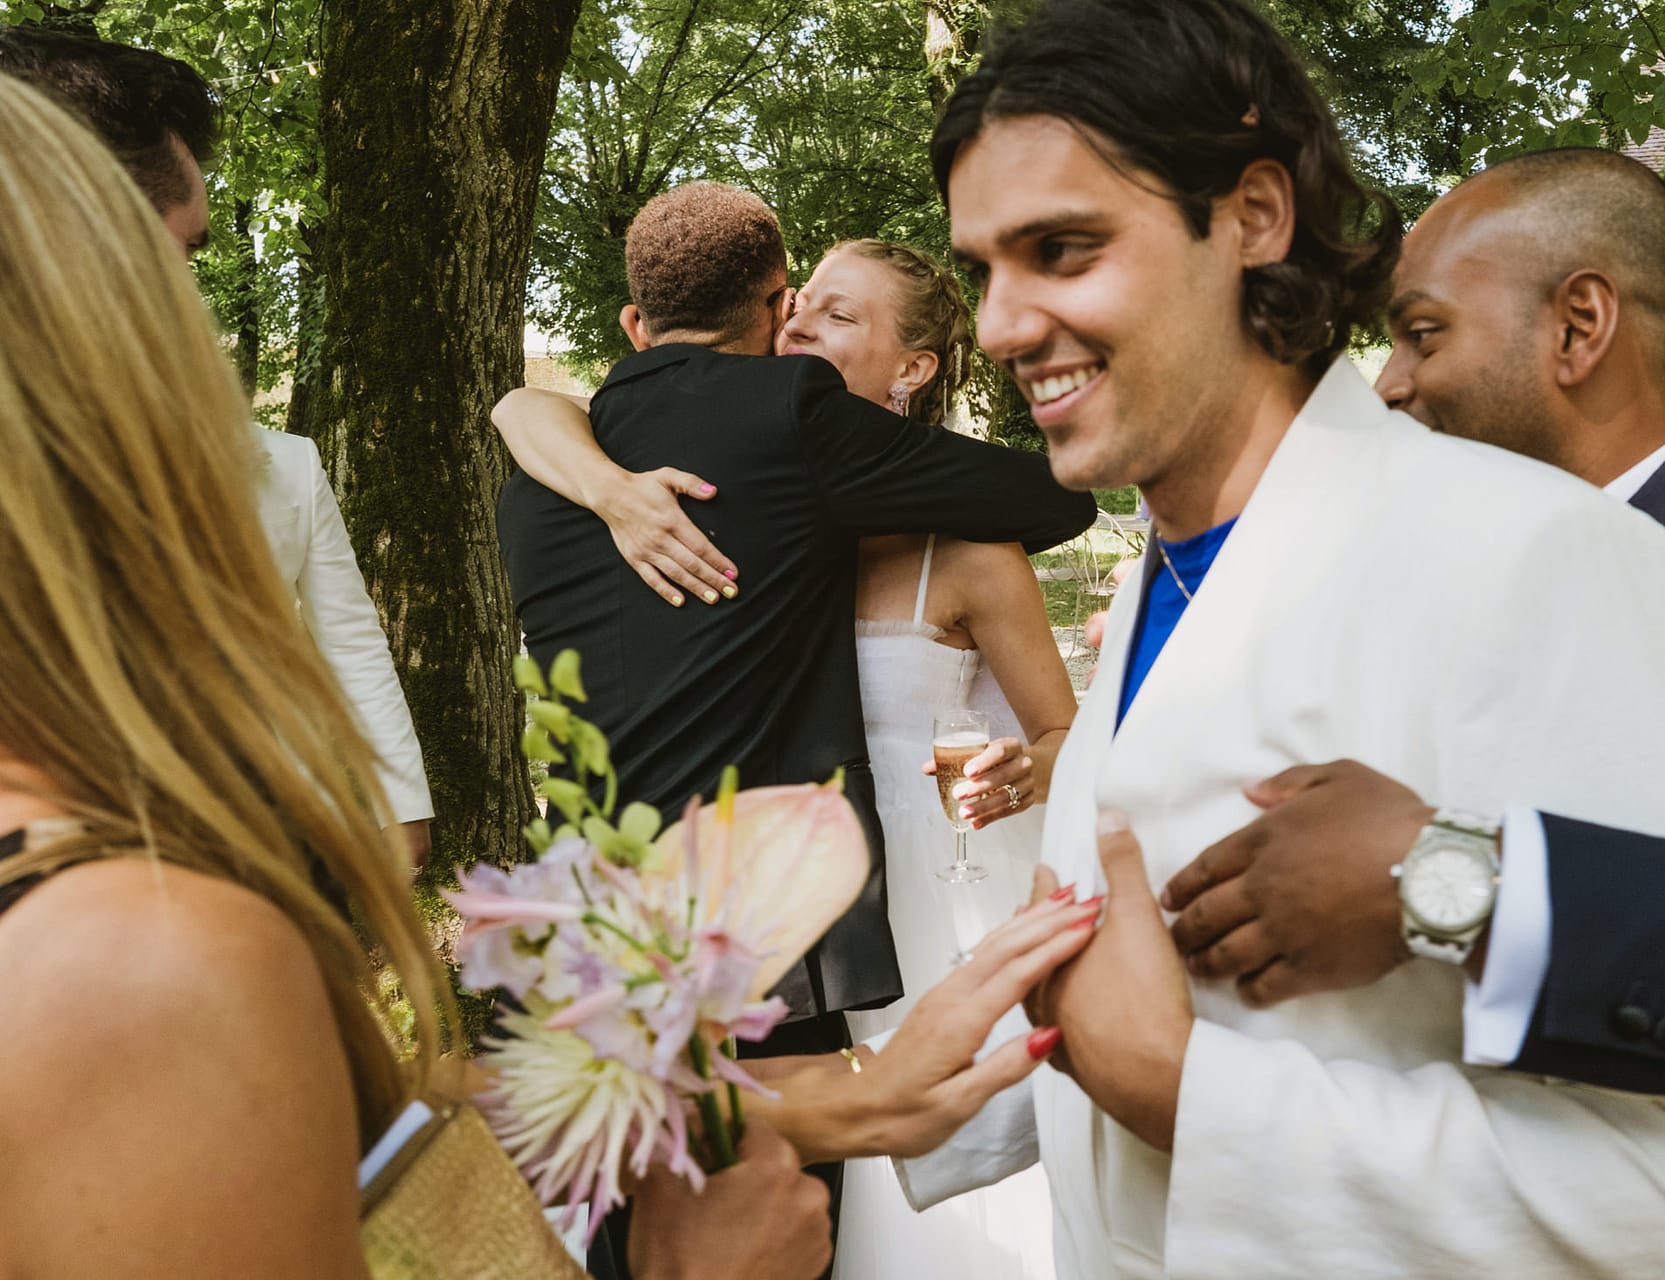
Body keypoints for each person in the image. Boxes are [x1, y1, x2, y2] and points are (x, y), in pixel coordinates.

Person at [0, 66, 1110, 1280]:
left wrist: (819, 1111)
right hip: (759, 944)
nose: (190, 337)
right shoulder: (145, 945)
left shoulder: (557, 466)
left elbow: (373, 1145)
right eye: (169, 267)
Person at [899, 0, 1665, 1275]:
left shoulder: (1541, 561)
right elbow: (1144, 1031)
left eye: (1062, 249)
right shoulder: (1149, 589)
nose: (1004, 324)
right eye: (981, 272)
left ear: (1253, 217)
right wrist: (804, 1109)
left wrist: (1194, 1096)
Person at [1156, 148, 1665, 1271]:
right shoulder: (1400, 583)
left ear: (1577, 329)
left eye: (1423, 336)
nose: (1391, 387)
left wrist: (1453, 882)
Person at [494, 181, 1094, 1277]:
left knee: (626, 1239)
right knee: (764, 1239)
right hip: (764, 945)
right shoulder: (791, 424)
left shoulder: (542, 475)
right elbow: (1060, 497)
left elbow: (522, 408)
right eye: (802, 303)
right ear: (773, 307)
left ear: (634, 323)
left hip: (588, 938)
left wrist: (547, 429)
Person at [0, 28, 436, 864]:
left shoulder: (285, 465)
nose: (184, 300)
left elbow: (350, 639)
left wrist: (397, 802)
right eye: (181, 253)